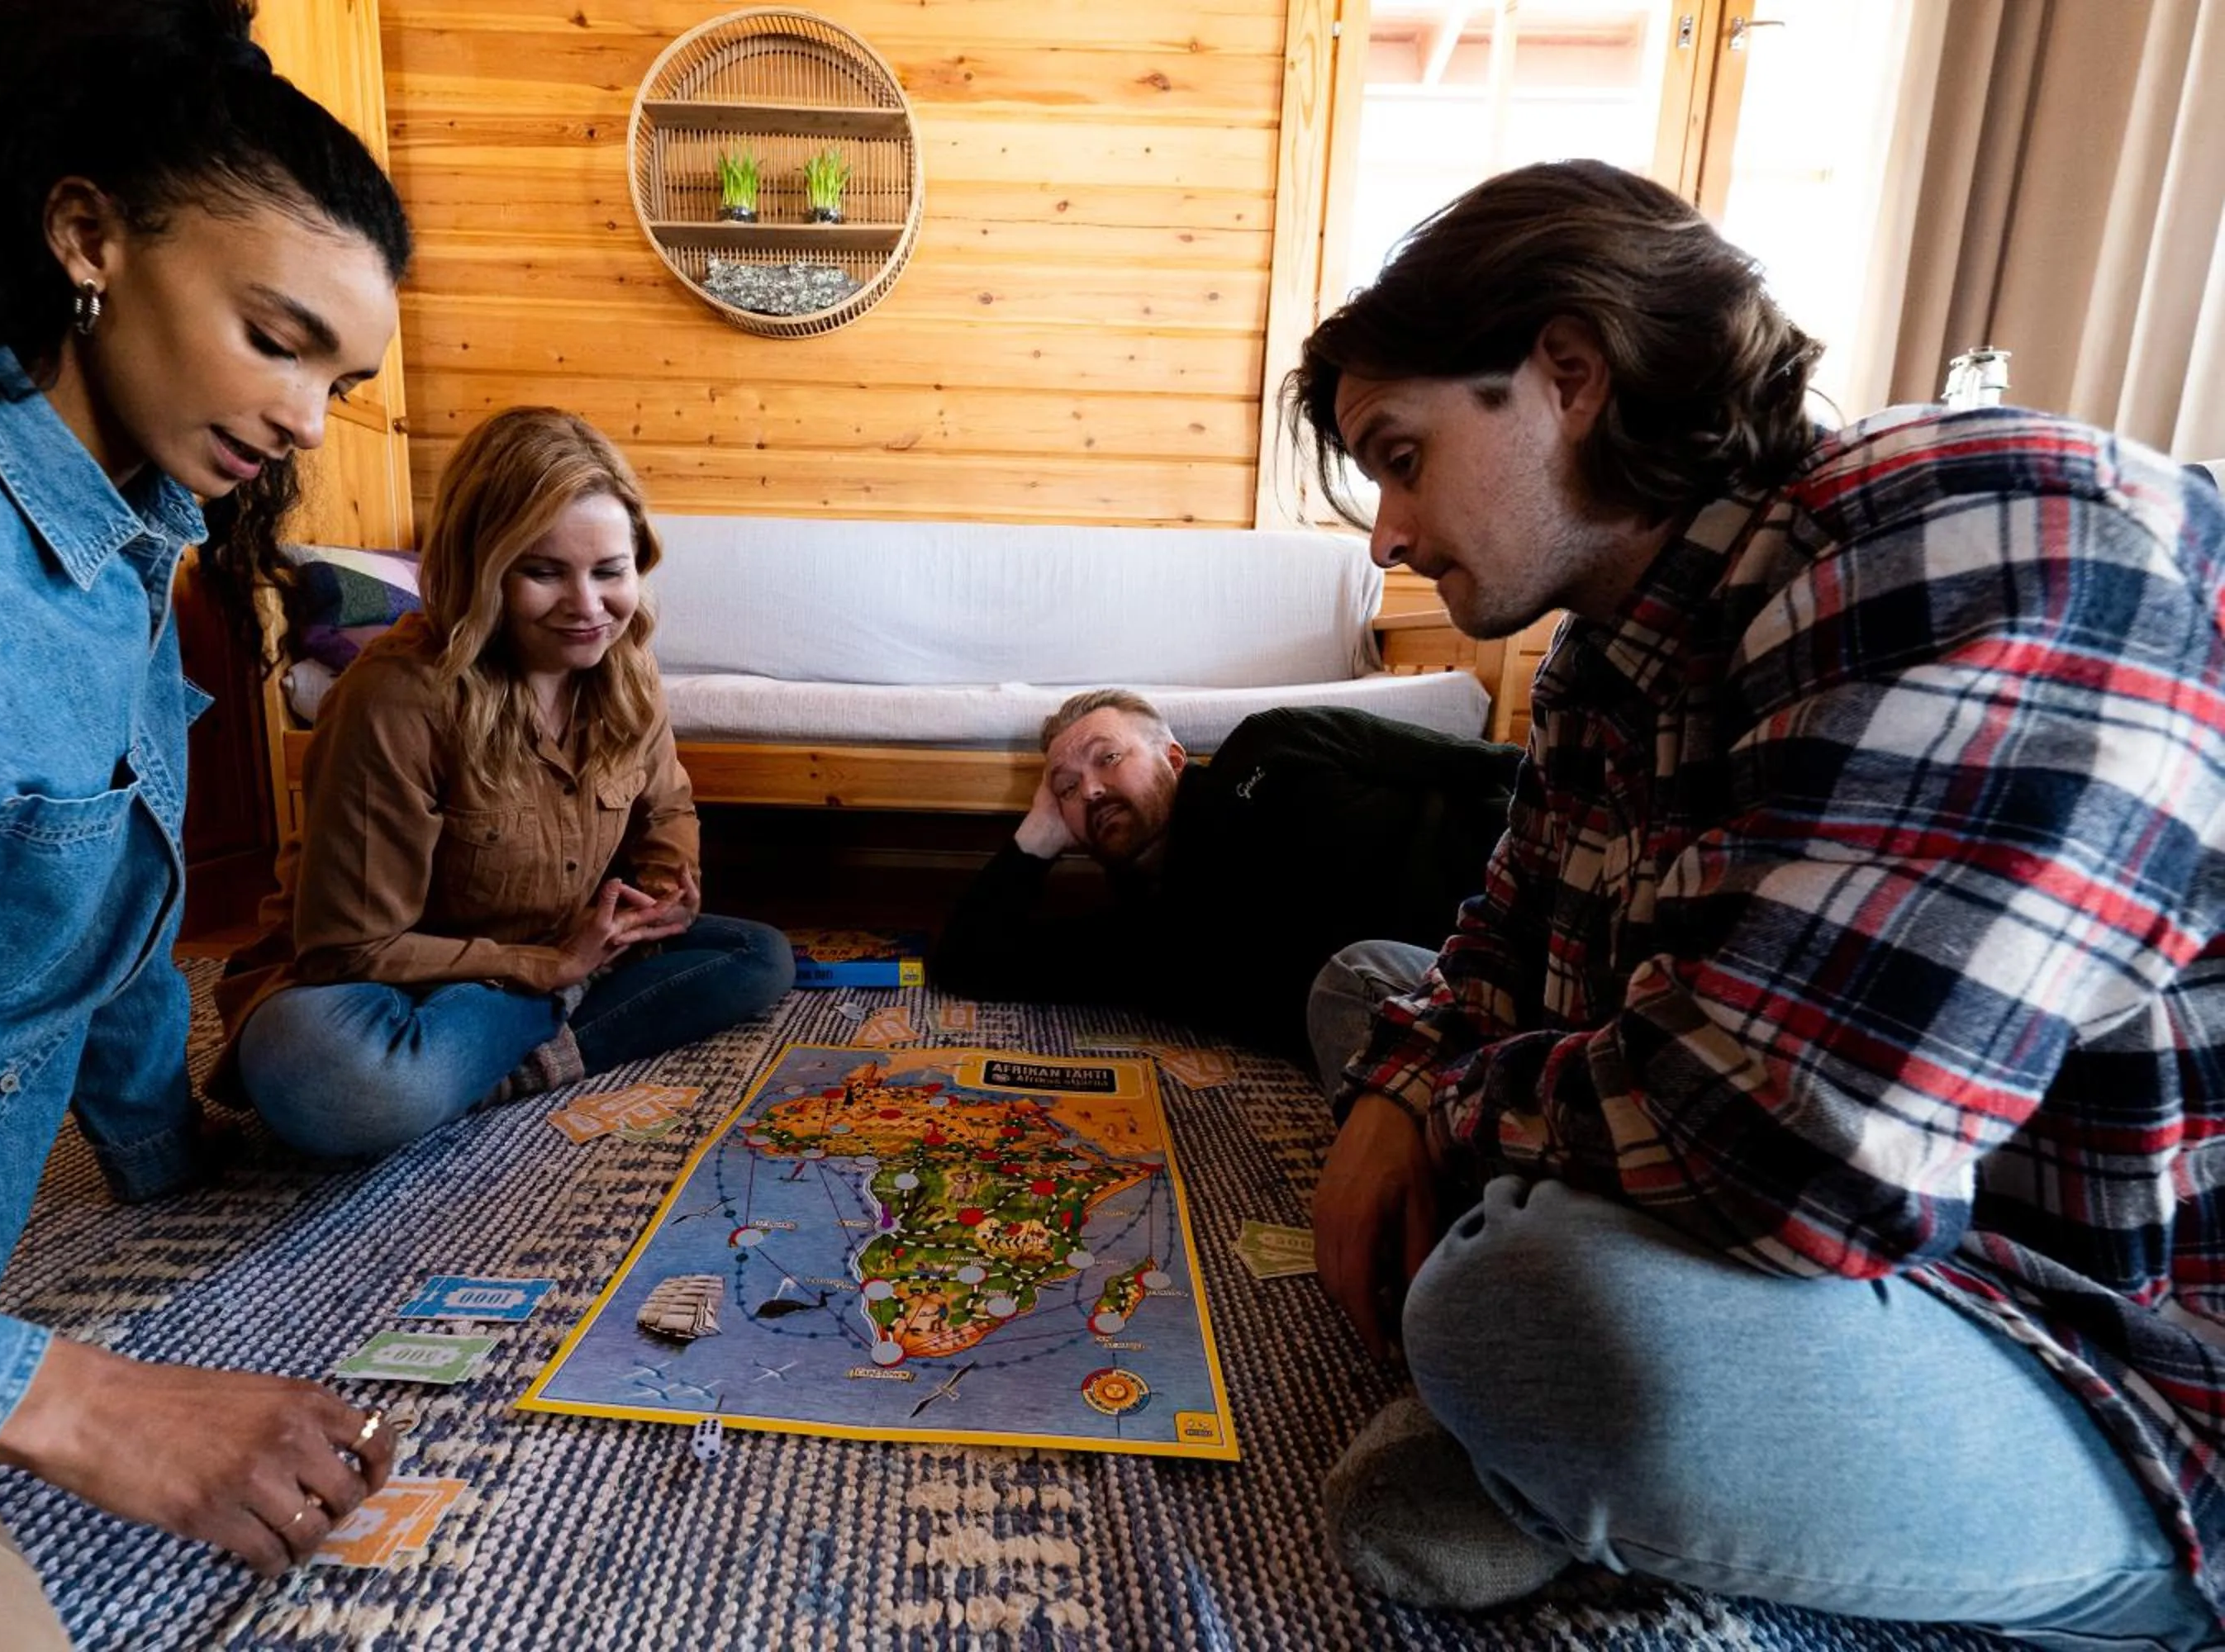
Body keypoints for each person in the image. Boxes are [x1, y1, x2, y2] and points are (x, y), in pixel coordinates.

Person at [1291, 159, 2225, 1647]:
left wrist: (1443, 1110)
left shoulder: (1974, 547)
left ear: (1569, 374)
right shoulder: (1623, 644)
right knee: (1369, 982)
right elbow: (1501, 947)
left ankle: (1552, 1442)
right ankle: (1560, 1434)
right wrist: (1416, 1074)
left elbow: (1786, 1159)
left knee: (1528, 1305)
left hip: (2105, 1354)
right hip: (1847, 1214)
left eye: (1402, 458)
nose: (1388, 536)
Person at [0, 0, 415, 1636]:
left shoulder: (123, 536)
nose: (310, 423)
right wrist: (70, 1396)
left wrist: (172, 1162)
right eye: (277, 336)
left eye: (345, 375)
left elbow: (90, 917)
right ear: (87, 234)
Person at [214, 406, 794, 1159]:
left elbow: (667, 807)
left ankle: (511, 1053)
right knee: (325, 1074)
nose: (588, 608)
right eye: (544, 571)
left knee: (760, 956)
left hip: (562, 951)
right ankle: (549, 1018)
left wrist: (662, 891)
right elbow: (347, 948)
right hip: (391, 984)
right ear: (480, 567)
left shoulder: (628, 668)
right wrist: (547, 968)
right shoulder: (397, 697)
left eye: (610, 572)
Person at [929, 690, 1514, 1062]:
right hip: (1467, 1024)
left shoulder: (1274, 746)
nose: (1090, 788)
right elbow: (966, 961)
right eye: (1065, 788)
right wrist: (1037, 838)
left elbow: (1498, 768)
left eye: (1108, 758)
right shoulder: (1145, 946)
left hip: (1521, 890)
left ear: (1174, 759)